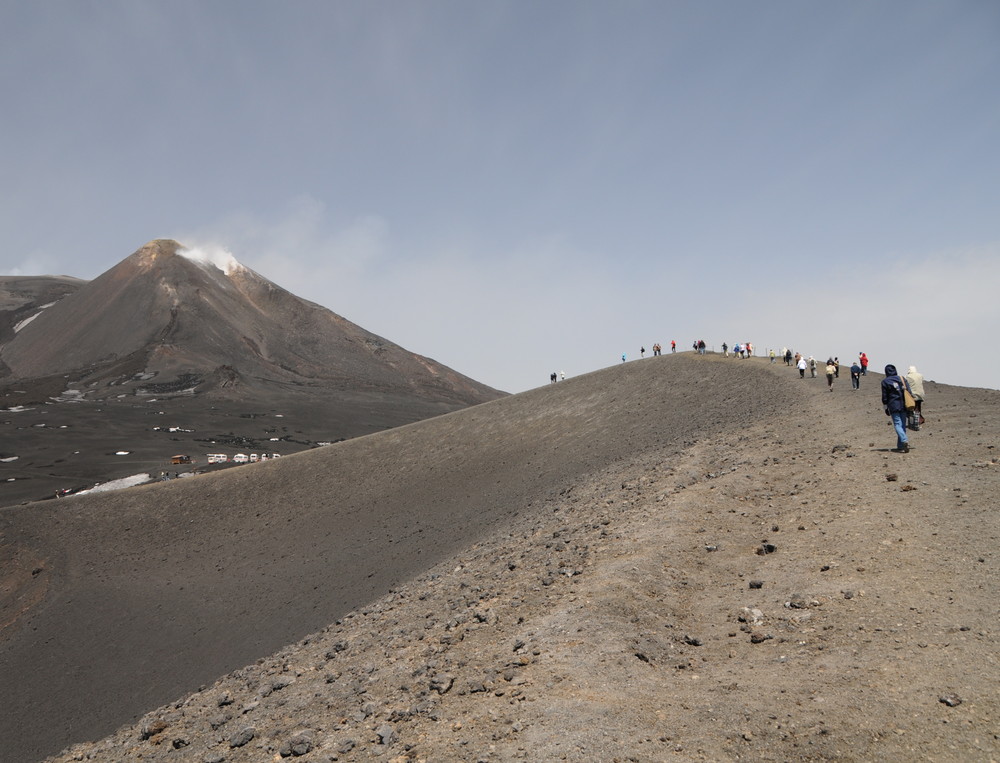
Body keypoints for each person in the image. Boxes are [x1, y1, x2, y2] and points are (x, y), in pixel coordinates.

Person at [881, 364, 913, 453]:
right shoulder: (902, 379)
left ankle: (904, 440)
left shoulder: (885, 382)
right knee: (902, 425)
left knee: (898, 424)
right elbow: (909, 391)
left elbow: (885, 397)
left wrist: (885, 408)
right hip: (904, 404)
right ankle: (900, 445)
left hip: (893, 405)